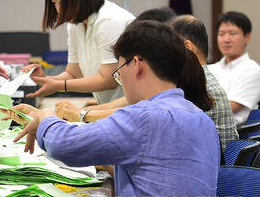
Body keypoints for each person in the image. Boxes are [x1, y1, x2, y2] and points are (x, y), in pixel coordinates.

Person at [8, 21, 219, 197]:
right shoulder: (202, 120)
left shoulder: (144, 117)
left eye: (118, 71)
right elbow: (154, 175)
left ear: (136, 64)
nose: (121, 81)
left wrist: (45, 117)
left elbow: (65, 144)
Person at [55, 15, 238, 150]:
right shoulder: (192, 81)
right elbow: (129, 106)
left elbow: (134, 117)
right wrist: (80, 113)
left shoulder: (191, 86)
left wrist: (79, 116)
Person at [24, 0, 135, 104]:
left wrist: (58, 85)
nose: (58, 10)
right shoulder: (75, 24)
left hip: (133, 109)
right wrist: (45, 80)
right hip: (110, 108)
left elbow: (110, 80)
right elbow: (74, 74)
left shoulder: (109, 21)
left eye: (60, 1)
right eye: (54, 3)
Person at [208, 11, 260, 125]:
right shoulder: (210, 69)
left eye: (232, 33)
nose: (226, 39)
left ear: (247, 37)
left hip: (233, 138)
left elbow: (228, 109)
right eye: (221, 34)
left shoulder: (252, 70)